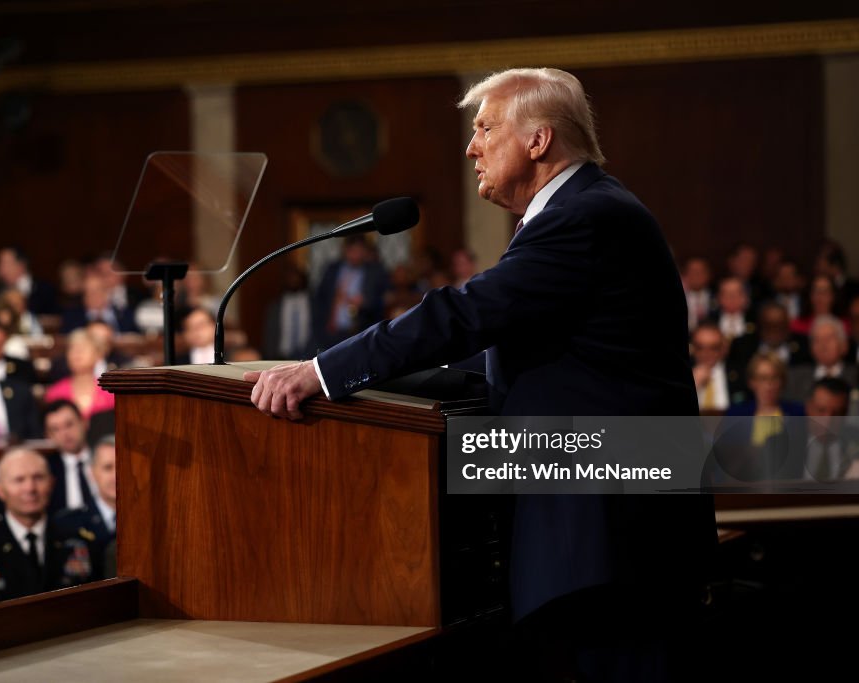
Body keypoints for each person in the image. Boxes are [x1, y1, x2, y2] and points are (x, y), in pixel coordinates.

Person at [244, 67, 716, 681]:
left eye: (486, 129)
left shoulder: (587, 217)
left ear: (538, 140)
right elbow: (534, 351)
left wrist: (324, 372)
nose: (471, 147)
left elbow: (464, 314)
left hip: (609, 538)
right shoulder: (585, 211)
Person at [0, 448, 98, 603]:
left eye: (38, 478)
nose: (30, 488)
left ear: (51, 483)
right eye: (19, 480)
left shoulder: (79, 539)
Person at [54, 434, 116, 580]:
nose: (116, 475)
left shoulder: (151, 521)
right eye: (108, 468)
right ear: (92, 473)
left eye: (123, 466)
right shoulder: (67, 524)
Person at [43, 329, 115, 419]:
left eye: (83, 348)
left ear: (98, 355)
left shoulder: (110, 394)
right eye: (72, 348)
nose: (77, 353)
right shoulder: (55, 393)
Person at [42, 400, 96, 513]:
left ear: (84, 423)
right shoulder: (46, 469)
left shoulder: (106, 459)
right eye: (55, 429)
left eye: (69, 425)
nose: (65, 433)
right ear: (48, 436)